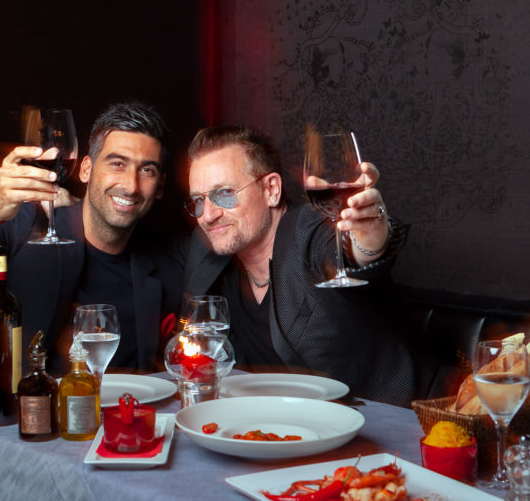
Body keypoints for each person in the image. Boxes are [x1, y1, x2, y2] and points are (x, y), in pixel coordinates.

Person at [0, 101, 182, 501]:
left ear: (160, 186)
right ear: (85, 169)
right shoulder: (25, 223)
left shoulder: (162, 267)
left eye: (146, 170)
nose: (130, 184)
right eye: (116, 163)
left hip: (77, 461)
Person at [177, 125, 435, 406]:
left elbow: (348, 250)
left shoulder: (307, 230)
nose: (209, 215)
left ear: (271, 190)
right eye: (198, 201)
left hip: (396, 419)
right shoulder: (207, 251)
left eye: (224, 194)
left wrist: (368, 241)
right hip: (288, 429)